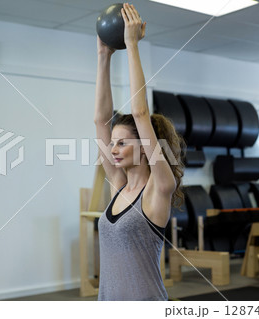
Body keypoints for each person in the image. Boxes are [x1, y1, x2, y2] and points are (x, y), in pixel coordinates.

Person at [94, 3, 185, 301]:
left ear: (146, 149)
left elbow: (140, 112)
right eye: (113, 143)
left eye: (123, 143)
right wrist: (103, 57)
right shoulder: (118, 187)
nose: (114, 149)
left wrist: (132, 45)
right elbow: (100, 120)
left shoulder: (159, 188)